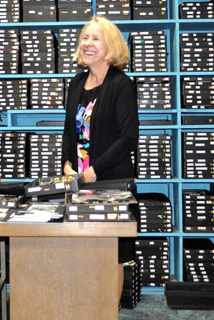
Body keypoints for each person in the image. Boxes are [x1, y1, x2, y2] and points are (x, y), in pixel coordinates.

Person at [61, 15, 139, 305]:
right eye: (85, 38)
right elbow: (69, 130)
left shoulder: (122, 85)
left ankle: (107, 310)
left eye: (96, 38)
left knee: (112, 256)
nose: (87, 44)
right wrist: (68, 164)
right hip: (78, 183)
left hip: (111, 183)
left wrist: (95, 169)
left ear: (112, 45)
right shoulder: (77, 82)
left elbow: (128, 138)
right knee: (83, 250)